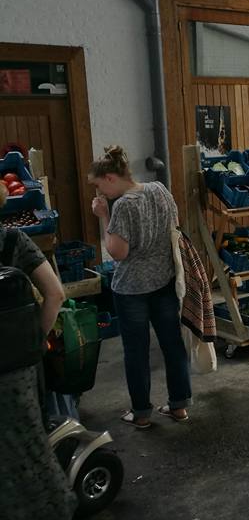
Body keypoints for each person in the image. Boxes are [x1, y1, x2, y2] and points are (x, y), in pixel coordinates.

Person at [88, 146, 189, 429]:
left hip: (131, 288)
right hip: (165, 280)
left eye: (98, 185)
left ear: (109, 177)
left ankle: (142, 413)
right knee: (172, 343)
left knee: (136, 350)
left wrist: (103, 217)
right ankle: (179, 406)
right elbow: (175, 227)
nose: (99, 193)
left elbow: (118, 252)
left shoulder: (122, 206)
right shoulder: (159, 190)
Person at [0, 182, 74, 520]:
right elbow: (56, 293)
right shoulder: (13, 241)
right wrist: (35, 342)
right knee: (30, 442)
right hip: (17, 369)